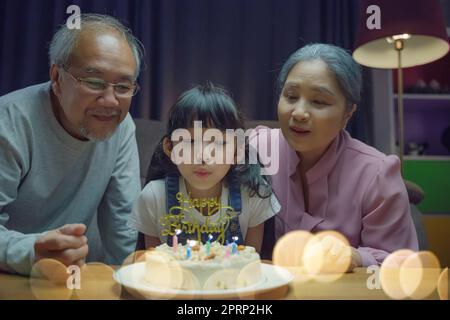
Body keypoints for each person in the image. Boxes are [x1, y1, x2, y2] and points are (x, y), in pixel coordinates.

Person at [0, 14, 144, 275]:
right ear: (57, 78)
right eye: (94, 82)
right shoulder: (9, 123)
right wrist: (32, 251)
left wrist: (131, 281)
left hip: (82, 277)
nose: (111, 101)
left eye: (123, 86)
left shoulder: (122, 127)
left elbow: (123, 225)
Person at [257, 43, 418, 268]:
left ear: (348, 113)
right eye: (291, 96)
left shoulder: (376, 173)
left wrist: (355, 257)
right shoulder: (258, 148)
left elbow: (400, 263)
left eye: (319, 101)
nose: (299, 113)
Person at [128, 82, 280, 252]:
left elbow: (251, 267)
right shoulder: (153, 198)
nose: (203, 156)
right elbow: (154, 269)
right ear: (170, 148)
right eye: (191, 142)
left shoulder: (253, 196)